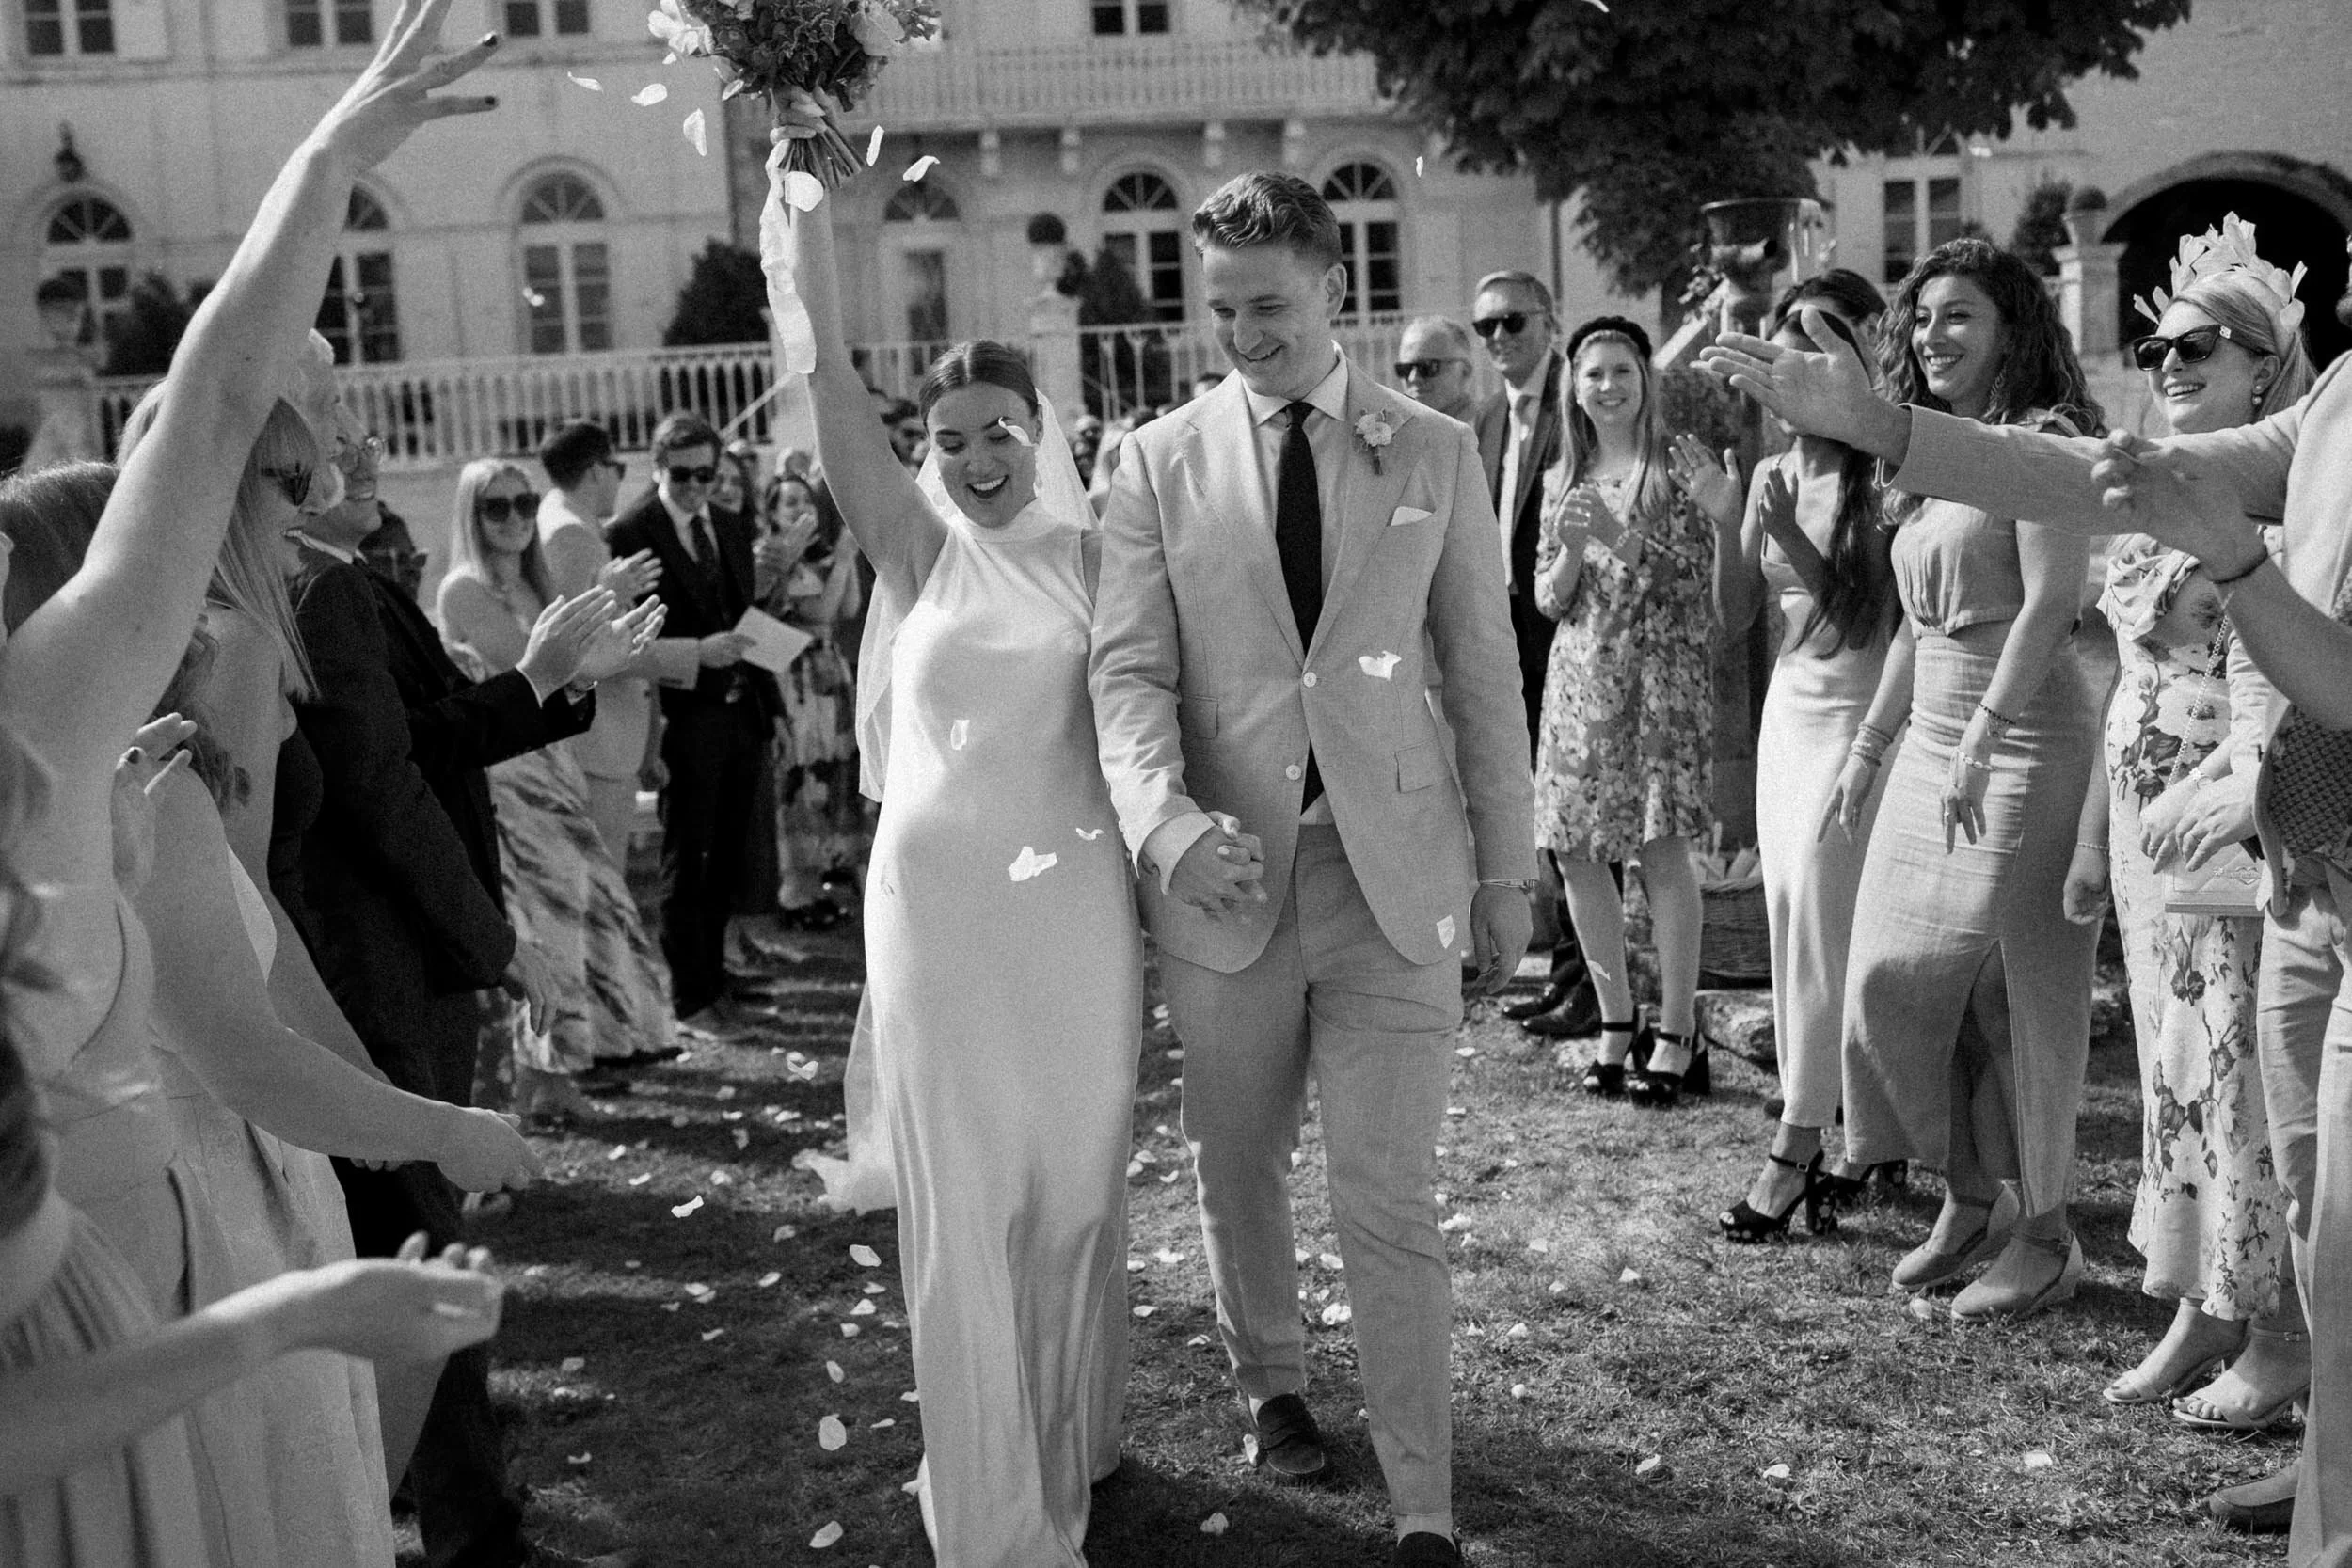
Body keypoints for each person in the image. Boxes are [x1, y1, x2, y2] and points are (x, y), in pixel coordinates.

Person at [1702, 225, 2352, 1539]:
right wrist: (1891, 428)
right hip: (2306, 878)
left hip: (2291, 851)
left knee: (2331, 1219)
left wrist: (2232, 571)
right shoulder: (2337, 406)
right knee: (2315, 1221)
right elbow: (2090, 477)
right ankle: (2331, 1457)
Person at [0, 7, 502, 1561]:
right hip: (104, 1372)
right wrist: (326, 157)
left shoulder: (46, 745)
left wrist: (333, 160)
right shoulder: (55, 742)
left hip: (133, 1332)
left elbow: (217, 416)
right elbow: (211, 423)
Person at [1089, 169, 1534, 1568]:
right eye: (1220, 308)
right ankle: (1270, 1377)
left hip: (1395, 880)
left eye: (1267, 304)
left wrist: (1509, 870)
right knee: (1236, 1159)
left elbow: (1482, 672)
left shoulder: (1437, 450)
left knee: (1387, 1190)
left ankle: (1423, 1501)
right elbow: (1127, 672)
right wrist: (1163, 822)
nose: (1243, 332)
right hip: (1222, 882)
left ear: (1334, 289)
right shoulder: (1155, 460)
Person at [775, 93, 1143, 1566]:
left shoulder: (1103, 555)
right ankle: (995, 1505)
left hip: (1073, 910)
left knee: (1071, 1176)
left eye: (999, 433)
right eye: (952, 437)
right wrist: (802, 219)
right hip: (933, 907)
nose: (978, 456)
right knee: (967, 1192)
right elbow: (830, 399)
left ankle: (1075, 1430)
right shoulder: (917, 548)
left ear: (1038, 434)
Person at [1800, 239, 2106, 1321]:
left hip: (2024, 730)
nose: (1931, 335)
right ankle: (1968, 1193)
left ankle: (2047, 1230)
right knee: (1900, 977)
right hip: (1937, 731)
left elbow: (2050, 604)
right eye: (1921, 316)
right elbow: (1914, 629)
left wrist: (1983, 728)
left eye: (1958, 316)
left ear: (2012, 330)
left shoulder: (2045, 446)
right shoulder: (1930, 458)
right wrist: (1870, 749)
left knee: (2013, 989)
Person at [2062, 228, 2314, 1429]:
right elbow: (2119, 673)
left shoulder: (2280, 486)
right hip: (2142, 816)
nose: (2165, 361)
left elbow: (2284, 678)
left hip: (2232, 807)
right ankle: (2202, 1305)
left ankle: (2277, 1332)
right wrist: (2089, 833)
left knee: (2238, 1075)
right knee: (2174, 1059)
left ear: (2267, 369)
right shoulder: (2151, 479)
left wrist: (2210, 781)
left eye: (2197, 346)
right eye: (2155, 343)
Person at [1704, 270, 1901, 1236]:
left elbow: (1865, 616)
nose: (1793, 363)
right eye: (1785, 345)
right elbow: (1736, 616)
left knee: (1825, 923)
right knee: (1787, 918)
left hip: (1859, 708)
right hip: (1790, 705)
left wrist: (1788, 532)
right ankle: (1837, 1130)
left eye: (1816, 345)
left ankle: (1793, 1148)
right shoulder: (1775, 463)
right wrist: (1726, 517)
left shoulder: (1880, 467)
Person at [437, 459, 677, 1126]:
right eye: (496, 507)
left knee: (579, 916)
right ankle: (541, 1078)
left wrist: (600, 621)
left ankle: (562, 1067)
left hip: (558, 767)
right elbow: (530, 670)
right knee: (542, 926)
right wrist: (596, 608)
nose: (515, 518)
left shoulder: (539, 592)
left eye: (523, 503)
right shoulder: (463, 590)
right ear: (472, 515)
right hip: (509, 779)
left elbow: (570, 674)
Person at [1534, 314, 1717, 1105]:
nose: (1607, 386)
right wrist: (1575, 547)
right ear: (1574, 386)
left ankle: (1677, 1032)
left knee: (1659, 853)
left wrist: (1613, 531)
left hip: (1656, 686)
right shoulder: (1562, 476)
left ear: (1645, 379)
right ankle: (1616, 1020)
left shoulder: (1671, 470)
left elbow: (1692, 584)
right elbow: (1547, 595)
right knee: (1577, 853)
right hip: (1578, 686)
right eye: (1593, 373)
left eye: (1621, 371)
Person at [604, 413, 781, 1031]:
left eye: (706, 473)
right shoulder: (631, 533)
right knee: (689, 859)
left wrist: (773, 708)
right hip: (683, 715)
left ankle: (717, 978)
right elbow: (631, 635)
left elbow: (748, 618)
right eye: (681, 474)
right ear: (657, 469)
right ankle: (691, 994)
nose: (695, 486)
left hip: (741, 712)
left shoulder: (729, 524)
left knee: (729, 853)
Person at [1470, 271, 1592, 1040]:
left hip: (1571, 638)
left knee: (1578, 816)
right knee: (1543, 813)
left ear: (1550, 321)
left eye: (1513, 322)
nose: (1499, 339)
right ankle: (1565, 974)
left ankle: (1590, 983)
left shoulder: (1575, 406)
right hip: (1506, 643)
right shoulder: (1484, 420)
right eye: (1485, 327)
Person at [536, 420, 699, 869]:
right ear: (594, 471)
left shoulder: (567, 521)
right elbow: (580, 648)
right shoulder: (569, 533)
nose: (620, 479)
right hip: (597, 743)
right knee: (604, 882)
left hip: (609, 740)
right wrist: (698, 655)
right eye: (618, 467)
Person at [763, 470, 866, 927]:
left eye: (806, 500)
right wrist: (844, 559)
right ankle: (796, 891)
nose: (800, 509)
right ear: (770, 512)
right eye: (788, 503)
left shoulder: (820, 558)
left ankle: (825, 875)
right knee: (800, 781)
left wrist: (841, 561)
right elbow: (817, 611)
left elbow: (846, 609)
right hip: (797, 679)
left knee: (834, 774)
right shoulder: (774, 561)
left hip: (831, 677)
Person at [1394, 317, 1481, 424]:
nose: (1413, 378)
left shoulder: (1491, 432)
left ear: (1465, 371)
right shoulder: (1398, 436)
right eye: (1405, 369)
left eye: (1427, 367)